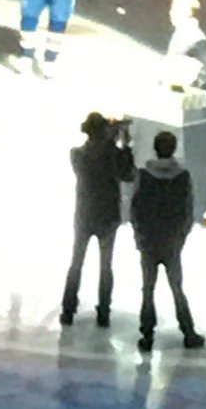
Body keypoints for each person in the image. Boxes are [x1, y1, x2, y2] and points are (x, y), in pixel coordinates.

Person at [131, 131, 205, 352]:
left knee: (148, 289)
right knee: (176, 287)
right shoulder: (182, 176)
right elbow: (187, 211)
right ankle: (188, 331)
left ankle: (146, 334)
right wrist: (181, 236)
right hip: (171, 241)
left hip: (149, 240)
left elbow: (136, 209)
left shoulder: (144, 175)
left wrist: (139, 236)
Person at [60, 113, 135, 328]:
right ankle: (103, 312)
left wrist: (111, 143)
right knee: (105, 266)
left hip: (84, 214)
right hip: (107, 215)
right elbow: (128, 175)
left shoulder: (77, 154)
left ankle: (68, 309)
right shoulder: (112, 153)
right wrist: (125, 146)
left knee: (76, 263)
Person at [161, 0, 206, 94]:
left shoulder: (193, 35)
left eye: (175, 9)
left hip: (182, 99)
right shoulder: (182, 33)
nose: (171, 13)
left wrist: (183, 90)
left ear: (186, 12)